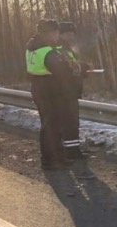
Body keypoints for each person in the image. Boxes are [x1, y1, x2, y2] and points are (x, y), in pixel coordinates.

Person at [25, 19, 72, 170]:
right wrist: (76, 69)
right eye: (56, 32)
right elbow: (62, 71)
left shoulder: (32, 47)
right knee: (52, 126)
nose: (58, 35)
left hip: (39, 88)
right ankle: (51, 160)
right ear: (50, 33)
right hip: (49, 90)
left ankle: (55, 158)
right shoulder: (47, 51)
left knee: (49, 125)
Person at [58, 21, 89, 160]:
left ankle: (72, 150)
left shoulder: (68, 49)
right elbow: (66, 68)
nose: (71, 37)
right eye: (67, 34)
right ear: (61, 34)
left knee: (71, 122)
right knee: (69, 122)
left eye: (72, 34)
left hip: (70, 91)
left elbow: (73, 67)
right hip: (65, 92)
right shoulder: (61, 49)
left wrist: (83, 68)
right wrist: (80, 69)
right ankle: (71, 152)